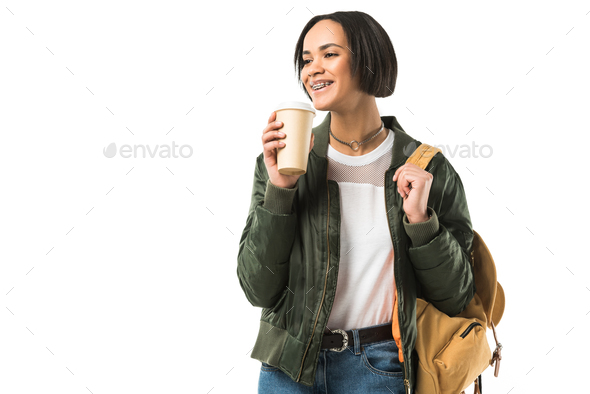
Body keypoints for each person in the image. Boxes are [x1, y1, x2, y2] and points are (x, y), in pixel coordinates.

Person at [237, 11, 475, 394]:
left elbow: (457, 296)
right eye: (305, 59)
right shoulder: (282, 164)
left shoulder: (426, 168)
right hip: (288, 368)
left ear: (367, 60)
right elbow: (258, 289)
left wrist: (422, 223)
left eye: (329, 54)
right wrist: (281, 190)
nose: (312, 69)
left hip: (380, 368)